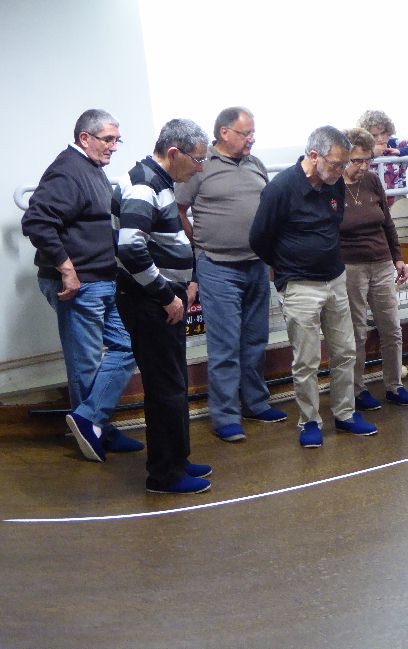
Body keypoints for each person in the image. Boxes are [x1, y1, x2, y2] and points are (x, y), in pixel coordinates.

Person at [21, 109, 142, 462]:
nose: (114, 146)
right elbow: (37, 221)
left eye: (117, 140)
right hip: (81, 284)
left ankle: (93, 421)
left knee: (126, 347)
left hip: (101, 279)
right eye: (108, 139)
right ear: (85, 138)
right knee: (86, 363)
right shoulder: (67, 170)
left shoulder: (92, 168)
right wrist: (67, 270)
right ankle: (92, 430)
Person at [249, 126, 377, 448]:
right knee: (306, 360)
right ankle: (309, 421)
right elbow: (259, 238)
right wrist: (287, 268)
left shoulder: (334, 185)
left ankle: (345, 414)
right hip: (299, 286)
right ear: (314, 155)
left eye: (344, 164)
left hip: (335, 280)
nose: (340, 171)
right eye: (335, 164)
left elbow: (333, 224)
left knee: (345, 351)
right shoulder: (280, 189)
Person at [175, 107, 287, 443]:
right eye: (245, 133)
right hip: (218, 267)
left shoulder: (255, 165)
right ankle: (225, 416)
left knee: (255, 340)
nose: (251, 139)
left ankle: (255, 403)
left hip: (256, 265)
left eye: (252, 132)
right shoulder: (201, 166)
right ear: (224, 132)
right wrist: (198, 243)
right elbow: (179, 208)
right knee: (224, 345)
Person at [114, 119, 213, 494]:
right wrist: (166, 295)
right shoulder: (143, 185)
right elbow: (130, 249)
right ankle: (164, 474)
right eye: (197, 159)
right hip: (150, 303)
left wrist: (186, 281)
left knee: (174, 382)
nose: (199, 168)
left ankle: (178, 459)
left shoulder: (159, 180)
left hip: (164, 298)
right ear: (174, 153)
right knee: (165, 387)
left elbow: (163, 241)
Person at [340, 127, 408, 411]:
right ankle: (357, 389)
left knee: (391, 328)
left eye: (367, 160)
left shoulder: (373, 180)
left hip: (382, 262)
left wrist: (398, 257)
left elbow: (387, 222)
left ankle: (394, 385)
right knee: (356, 332)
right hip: (351, 266)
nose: (363, 167)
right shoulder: (333, 186)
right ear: (343, 157)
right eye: (357, 161)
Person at [357, 109, 408, 206]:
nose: (380, 139)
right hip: (370, 203)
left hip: (397, 202)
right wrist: (371, 154)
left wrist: (400, 152)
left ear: (389, 132)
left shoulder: (394, 143)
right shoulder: (360, 149)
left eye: (383, 133)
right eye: (374, 135)